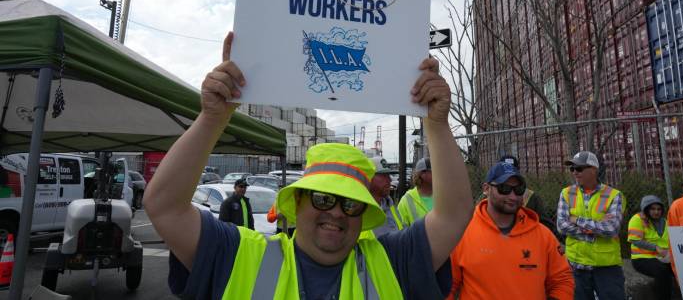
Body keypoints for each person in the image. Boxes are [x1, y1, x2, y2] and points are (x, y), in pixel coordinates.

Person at [143, 32, 473, 299]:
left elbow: (453, 214)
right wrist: (213, 118)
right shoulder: (240, 256)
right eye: (323, 198)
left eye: (351, 203)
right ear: (297, 201)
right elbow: (164, 207)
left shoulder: (392, 261)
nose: (337, 212)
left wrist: (437, 125)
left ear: (363, 217)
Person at [449, 162, 574, 299]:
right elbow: (447, 286)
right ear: (486, 189)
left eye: (519, 189)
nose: (513, 196)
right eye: (504, 188)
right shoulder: (462, 233)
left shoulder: (543, 236)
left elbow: (562, 280)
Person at [556, 150, 626, 300]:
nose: (575, 172)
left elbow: (611, 229)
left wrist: (576, 220)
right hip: (576, 266)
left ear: (594, 169)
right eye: (572, 169)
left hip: (607, 268)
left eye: (579, 168)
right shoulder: (566, 193)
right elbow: (562, 226)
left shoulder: (614, 195)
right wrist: (595, 230)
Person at [627, 195, 674, 299]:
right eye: (652, 209)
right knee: (662, 271)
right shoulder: (637, 219)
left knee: (680, 270)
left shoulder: (665, 222)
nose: (656, 212)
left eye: (659, 209)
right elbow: (635, 240)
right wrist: (656, 248)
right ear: (646, 209)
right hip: (642, 259)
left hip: (664, 258)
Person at [499, 154, 558, 236]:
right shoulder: (489, 197)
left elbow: (545, 224)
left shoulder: (532, 197)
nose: (509, 176)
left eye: (513, 171)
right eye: (505, 171)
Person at [367, 156, 403, 236]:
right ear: (369, 178)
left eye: (389, 175)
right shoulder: (361, 211)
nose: (389, 180)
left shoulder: (390, 205)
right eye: (384, 176)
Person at [397, 157, 432, 226]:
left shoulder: (444, 196)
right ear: (422, 174)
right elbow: (401, 231)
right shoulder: (406, 200)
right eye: (434, 171)